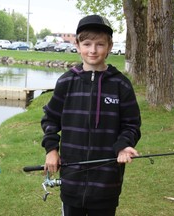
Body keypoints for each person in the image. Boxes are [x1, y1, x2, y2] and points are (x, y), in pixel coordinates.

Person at [41, 15, 141, 216]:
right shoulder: (66, 82)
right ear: (77, 45)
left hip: (107, 183)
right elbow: (50, 119)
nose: (93, 50)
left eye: (100, 44)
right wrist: (51, 149)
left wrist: (123, 146)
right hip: (71, 181)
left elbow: (131, 125)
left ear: (110, 46)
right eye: (87, 44)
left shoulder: (121, 84)